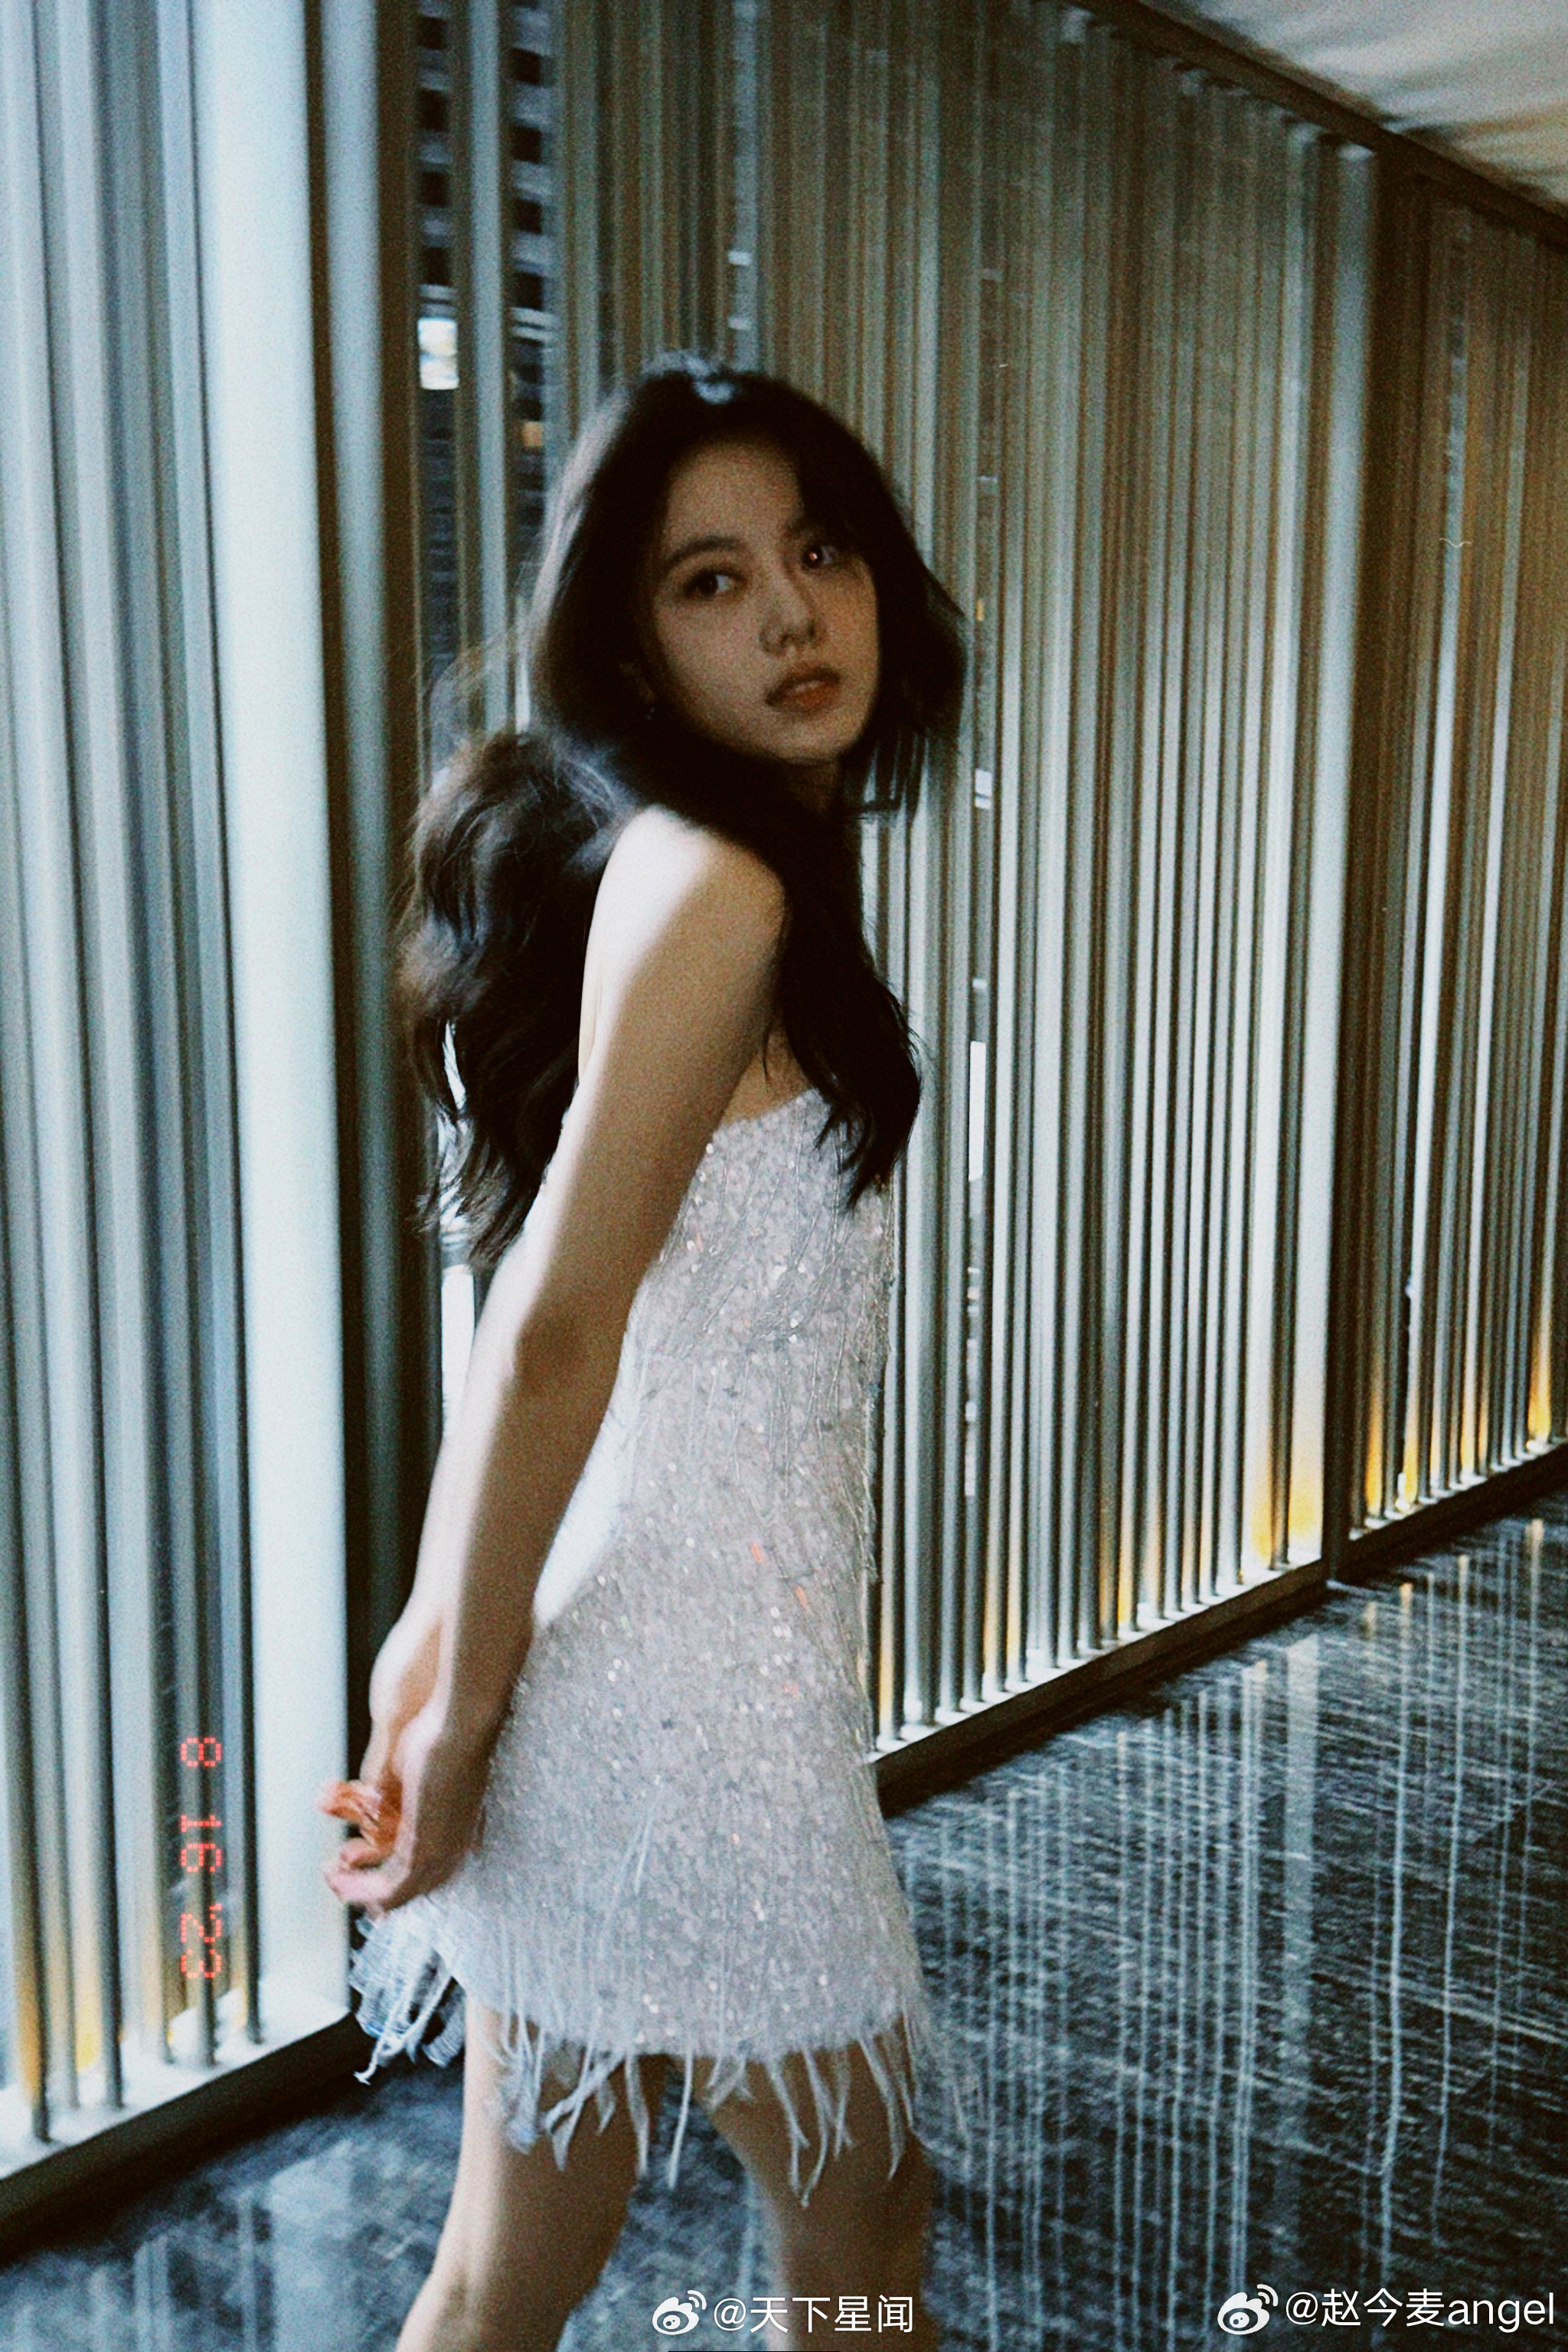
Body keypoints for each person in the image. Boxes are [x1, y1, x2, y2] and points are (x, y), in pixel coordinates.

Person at [318, 351, 970, 2352]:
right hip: (684, 1704)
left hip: (668, 1665)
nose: (790, 615)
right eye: (712, 580)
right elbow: (554, 1330)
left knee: (522, 2263)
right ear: (630, 642)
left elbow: (558, 1306)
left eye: (820, 552)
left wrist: (446, 1643)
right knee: (855, 2215)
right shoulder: (721, 886)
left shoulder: (702, 865)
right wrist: (450, 1709)